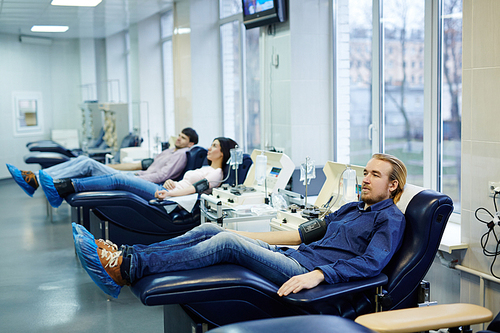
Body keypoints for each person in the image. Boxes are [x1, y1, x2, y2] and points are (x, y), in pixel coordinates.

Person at [73, 153, 408, 299]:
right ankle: (129, 253)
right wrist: (243, 234)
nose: (365, 178)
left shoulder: (390, 219)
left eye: (374, 175)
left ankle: (129, 268)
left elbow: (371, 263)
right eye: (365, 172)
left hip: (303, 271)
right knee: (212, 231)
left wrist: (319, 275)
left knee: (226, 245)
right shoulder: (351, 207)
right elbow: (302, 234)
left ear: (392, 185)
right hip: (291, 255)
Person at [38, 137, 238, 208]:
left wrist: (169, 192)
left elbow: (194, 190)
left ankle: (63, 186)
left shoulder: (217, 174)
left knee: (118, 179)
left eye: (214, 146)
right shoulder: (206, 168)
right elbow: (184, 184)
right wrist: (172, 184)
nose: (209, 149)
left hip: (168, 199)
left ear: (224, 152)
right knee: (117, 178)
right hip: (167, 190)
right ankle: (61, 187)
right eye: (211, 145)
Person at [6, 127, 199, 197]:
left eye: (183, 138)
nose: (179, 139)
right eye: (179, 136)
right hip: (137, 176)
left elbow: (162, 176)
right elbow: (146, 165)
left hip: (146, 182)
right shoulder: (169, 150)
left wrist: (136, 175)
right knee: (84, 160)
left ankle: (36, 180)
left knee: (87, 164)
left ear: (191, 143)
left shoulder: (182, 155)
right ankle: (37, 179)